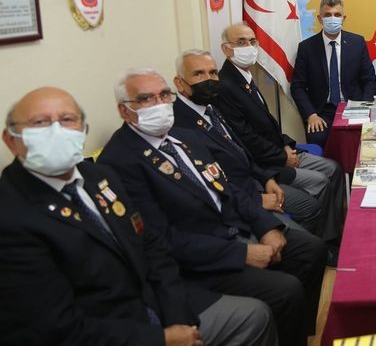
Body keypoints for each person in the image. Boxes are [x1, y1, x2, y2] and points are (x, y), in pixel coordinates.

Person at [0, 87, 274, 346]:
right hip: (110, 329)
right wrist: (161, 339)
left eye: (67, 119)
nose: (56, 131)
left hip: (157, 299)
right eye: (40, 123)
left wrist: (178, 316)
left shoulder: (98, 176)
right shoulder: (11, 216)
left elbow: (151, 247)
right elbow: (53, 328)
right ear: (10, 140)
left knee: (255, 316)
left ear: (83, 130)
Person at [98, 69, 326, 346]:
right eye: (147, 98)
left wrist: (267, 226)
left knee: (312, 250)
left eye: (164, 95)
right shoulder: (119, 161)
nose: (160, 104)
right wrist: (242, 253)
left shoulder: (185, 137)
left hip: (235, 228)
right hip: (200, 259)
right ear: (125, 111)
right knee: (285, 290)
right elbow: (162, 239)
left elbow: (229, 189)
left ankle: (299, 333)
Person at [216, 22, 345, 264]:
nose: (249, 47)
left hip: (279, 150)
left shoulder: (245, 77)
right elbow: (245, 139)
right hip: (267, 164)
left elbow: (267, 123)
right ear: (226, 49)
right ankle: (321, 245)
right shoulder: (226, 86)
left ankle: (335, 233)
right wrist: (283, 157)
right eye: (241, 42)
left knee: (334, 168)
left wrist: (286, 144)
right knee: (321, 182)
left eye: (252, 41)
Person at [173, 49, 322, 235]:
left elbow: (241, 149)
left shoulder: (211, 109)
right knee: (309, 241)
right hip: (240, 199)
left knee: (312, 206)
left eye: (212, 73)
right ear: (179, 83)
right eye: (198, 74)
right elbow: (209, 182)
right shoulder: (179, 125)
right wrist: (256, 199)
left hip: (257, 178)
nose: (208, 79)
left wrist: (265, 179)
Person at [291, 0, 376, 148]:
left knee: (358, 144)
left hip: (354, 107)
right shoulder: (307, 47)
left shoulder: (357, 43)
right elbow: (298, 86)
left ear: (344, 18)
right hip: (322, 111)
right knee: (318, 138)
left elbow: (369, 80)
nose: (333, 18)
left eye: (337, 15)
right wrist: (310, 115)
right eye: (327, 15)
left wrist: (363, 108)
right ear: (320, 18)